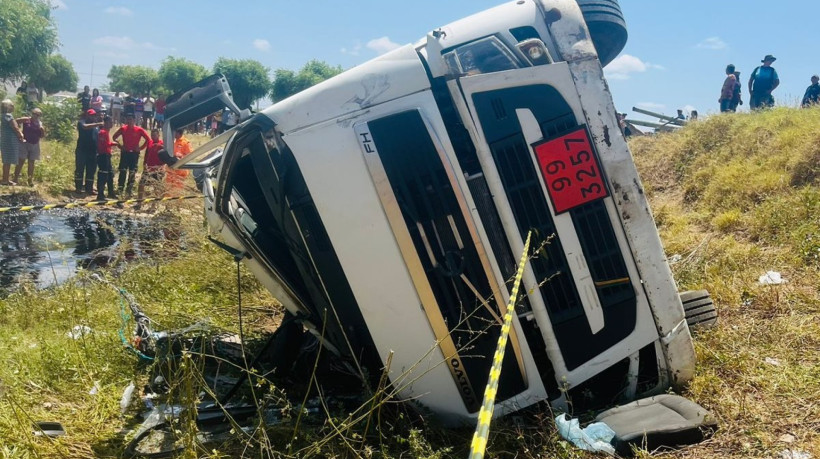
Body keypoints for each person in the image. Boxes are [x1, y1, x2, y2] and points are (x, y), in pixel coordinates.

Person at [111, 113, 150, 196]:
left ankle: (129, 190)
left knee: (132, 172)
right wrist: (120, 146)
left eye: (131, 119)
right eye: (128, 119)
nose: (129, 121)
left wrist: (141, 148)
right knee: (123, 171)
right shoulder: (123, 128)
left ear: (134, 120)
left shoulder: (139, 130)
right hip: (125, 153)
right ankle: (120, 189)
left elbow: (148, 139)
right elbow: (114, 137)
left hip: (134, 154)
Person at [75, 109, 103, 194]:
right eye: (91, 115)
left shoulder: (97, 127)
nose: (93, 117)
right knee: (80, 169)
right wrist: (98, 124)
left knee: (91, 170)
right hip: (82, 150)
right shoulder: (81, 122)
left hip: (93, 151)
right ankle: (78, 187)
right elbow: (85, 127)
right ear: (87, 115)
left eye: (94, 115)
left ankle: (89, 188)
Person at [14, 108, 45, 186]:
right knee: (21, 160)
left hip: (35, 144)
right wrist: (19, 132)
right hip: (24, 143)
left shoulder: (39, 123)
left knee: (31, 162)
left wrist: (42, 130)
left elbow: (42, 136)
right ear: (32, 113)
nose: (36, 116)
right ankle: (15, 179)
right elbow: (14, 122)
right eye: (35, 114)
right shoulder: (26, 120)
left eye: (38, 115)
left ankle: (30, 180)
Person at [1, 99, 26, 186]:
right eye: (12, 105)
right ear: (8, 107)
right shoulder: (8, 116)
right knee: (8, 160)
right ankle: (5, 180)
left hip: (5, 139)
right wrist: (21, 135)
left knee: (6, 160)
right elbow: (15, 127)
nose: (13, 107)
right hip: (10, 140)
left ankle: (5, 179)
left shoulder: (3, 115)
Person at [96, 115, 120, 200]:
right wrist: (114, 144)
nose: (112, 124)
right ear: (105, 123)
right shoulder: (102, 132)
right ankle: (100, 194)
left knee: (110, 174)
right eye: (110, 122)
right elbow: (103, 145)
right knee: (103, 174)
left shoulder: (106, 132)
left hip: (107, 155)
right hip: (103, 155)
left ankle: (110, 192)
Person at [138, 128, 165, 201]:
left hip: (158, 169)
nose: (153, 137)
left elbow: (167, 155)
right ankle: (139, 202)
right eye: (152, 135)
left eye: (154, 135)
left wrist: (160, 146)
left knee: (156, 187)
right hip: (148, 168)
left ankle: (154, 206)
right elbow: (146, 154)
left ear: (158, 135)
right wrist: (144, 164)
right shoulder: (150, 142)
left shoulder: (162, 143)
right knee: (141, 184)